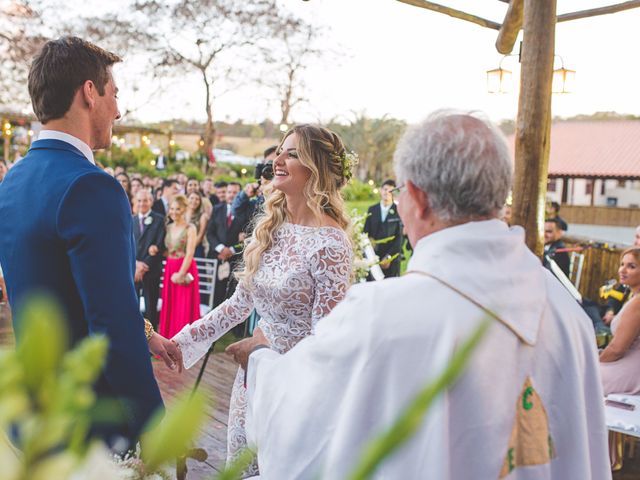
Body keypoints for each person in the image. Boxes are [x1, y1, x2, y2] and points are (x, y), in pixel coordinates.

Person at [228, 111, 609, 479]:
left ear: (417, 197)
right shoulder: (569, 315)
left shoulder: (379, 314)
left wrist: (260, 360)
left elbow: (307, 426)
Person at [0, 36, 181, 450]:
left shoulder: (14, 180)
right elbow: (109, 319)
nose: (118, 110)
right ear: (89, 93)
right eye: (113, 94)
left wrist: (146, 331)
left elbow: (62, 287)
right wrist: (153, 424)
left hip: (31, 409)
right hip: (89, 418)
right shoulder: (90, 186)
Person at [172, 124, 353, 476]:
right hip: (249, 379)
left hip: (292, 388)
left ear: (316, 168)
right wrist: (183, 341)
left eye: (292, 153)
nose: (278, 160)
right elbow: (240, 304)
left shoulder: (331, 245)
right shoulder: (272, 228)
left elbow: (326, 341)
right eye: (280, 152)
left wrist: (264, 354)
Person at [158, 195, 200, 338]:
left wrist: (181, 274)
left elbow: (190, 253)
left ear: (184, 210)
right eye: (172, 209)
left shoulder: (190, 228)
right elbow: (166, 249)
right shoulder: (168, 227)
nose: (174, 212)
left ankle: (184, 343)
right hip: (170, 266)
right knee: (170, 306)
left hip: (184, 268)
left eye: (178, 209)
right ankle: (168, 341)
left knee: (183, 307)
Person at [600, 247, 640, 395]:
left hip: (632, 370)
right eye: (622, 264)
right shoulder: (633, 296)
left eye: (631, 266)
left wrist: (596, 362)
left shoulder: (637, 303)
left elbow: (617, 350)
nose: (622, 270)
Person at [133, 189, 166, 329]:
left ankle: (151, 341)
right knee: (131, 304)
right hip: (133, 270)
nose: (142, 204)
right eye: (139, 200)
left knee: (150, 306)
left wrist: (143, 265)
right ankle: (132, 332)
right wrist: (135, 264)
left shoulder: (159, 219)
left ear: (151, 202)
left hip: (151, 270)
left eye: (145, 200)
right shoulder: (131, 219)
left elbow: (160, 245)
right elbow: (125, 244)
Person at [363, 179, 404, 278]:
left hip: (391, 258)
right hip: (373, 257)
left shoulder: (399, 210)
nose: (387, 192)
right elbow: (365, 233)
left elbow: (400, 238)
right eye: (385, 189)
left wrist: (389, 257)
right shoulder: (372, 209)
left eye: (390, 190)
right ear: (381, 190)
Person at [186, 191, 210, 258]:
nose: (194, 201)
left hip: (196, 247)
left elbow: (200, 236)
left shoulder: (203, 216)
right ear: (187, 199)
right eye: (192, 198)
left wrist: (188, 249)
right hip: (181, 247)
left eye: (197, 199)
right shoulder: (182, 214)